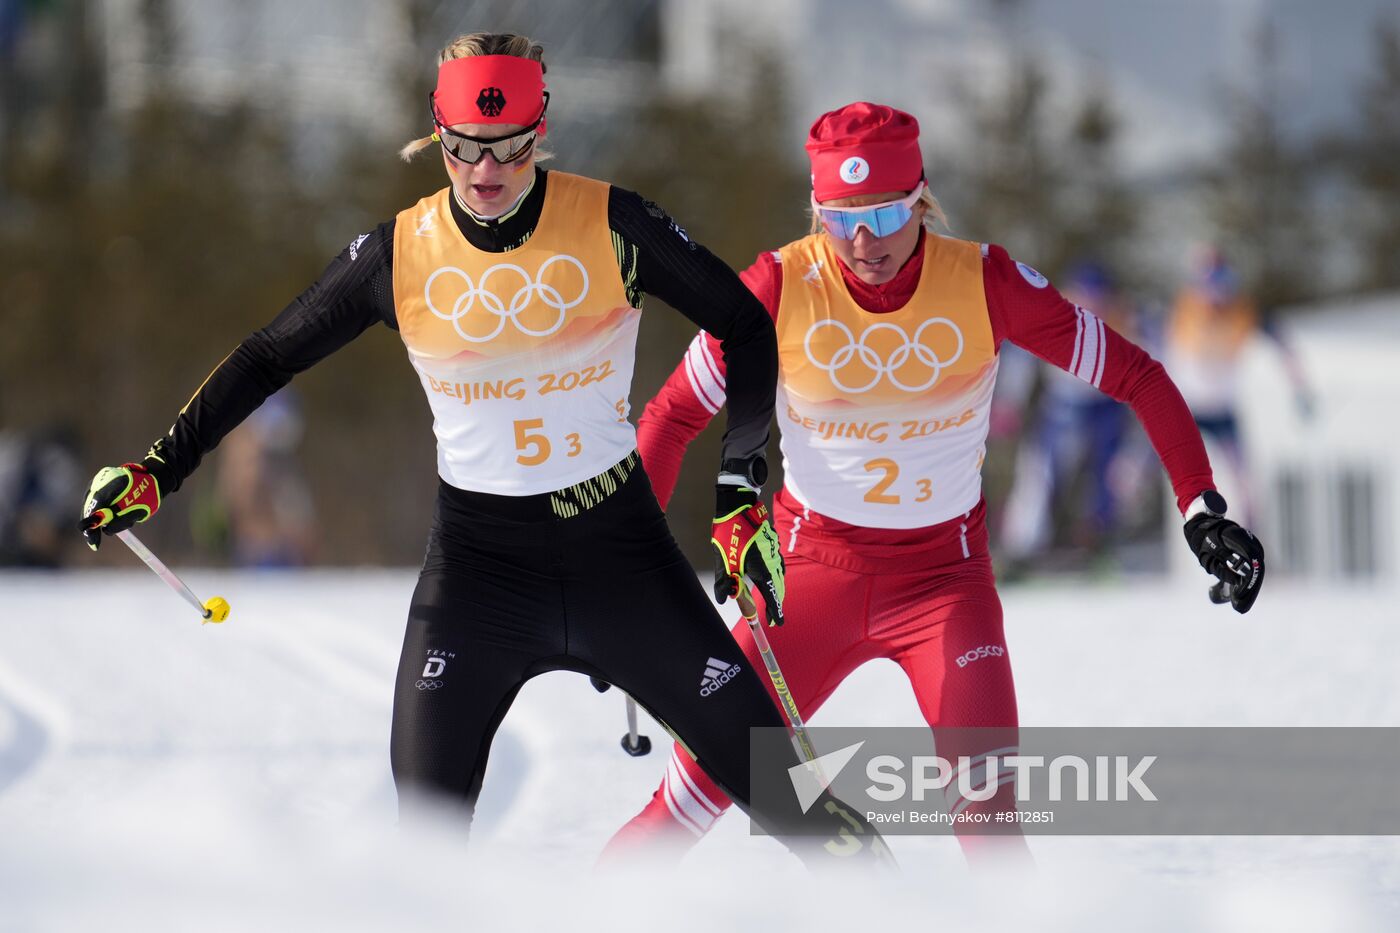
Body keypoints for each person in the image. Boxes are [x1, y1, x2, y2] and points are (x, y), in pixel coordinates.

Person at [77, 33, 888, 865]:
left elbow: (745, 325)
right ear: (438, 136)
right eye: (463, 149)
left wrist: (739, 488)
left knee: (796, 807)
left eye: (507, 147)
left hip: (622, 562)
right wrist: (159, 468)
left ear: (540, 131)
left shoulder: (615, 223)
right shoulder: (398, 252)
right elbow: (266, 355)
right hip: (478, 575)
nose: (485, 170)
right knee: (423, 841)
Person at [601, 102, 1266, 864]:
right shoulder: (778, 286)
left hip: (944, 585)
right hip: (805, 579)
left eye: (884, 212)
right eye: (840, 215)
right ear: (816, 210)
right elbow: (671, 416)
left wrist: (1200, 505)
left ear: (920, 198)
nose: (863, 240)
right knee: (688, 799)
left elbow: (1138, 375)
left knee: (989, 825)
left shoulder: (985, 281)